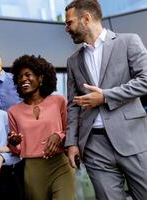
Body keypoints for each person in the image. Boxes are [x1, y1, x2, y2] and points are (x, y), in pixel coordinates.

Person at [64, 0, 147, 199]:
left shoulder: (128, 41)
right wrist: (72, 143)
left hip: (132, 139)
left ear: (86, 18)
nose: (66, 28)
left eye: (69, 22)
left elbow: (145, 80)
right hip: (93, 145)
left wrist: (105, 96)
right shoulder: (73, 60)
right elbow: (74, 104)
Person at [8, 55, 76, 200]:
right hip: (33, 170)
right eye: (19, 77)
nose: (23, 79)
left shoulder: (58, 101)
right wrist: (13, 143)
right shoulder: (13, 111)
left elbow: (70, 130)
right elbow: (16, 150)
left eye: (28, 75)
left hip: (60, 165)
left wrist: (59, 135)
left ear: (40, 78)